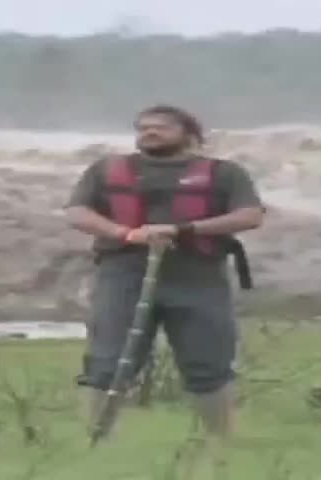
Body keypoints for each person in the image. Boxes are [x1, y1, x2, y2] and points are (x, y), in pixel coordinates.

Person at [64, 105, 265, 449]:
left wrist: (184, 229)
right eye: (143, 127)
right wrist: (126, 233)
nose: (150, 132)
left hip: (198, 277)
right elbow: (77, 212)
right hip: (123, 275)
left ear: (188, 133)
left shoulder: (225, 173)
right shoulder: (106, 170)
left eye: (161, 127)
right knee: (107, 362)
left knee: (208, 363)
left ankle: (221, 443)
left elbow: (250, 215)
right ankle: (97, 442)